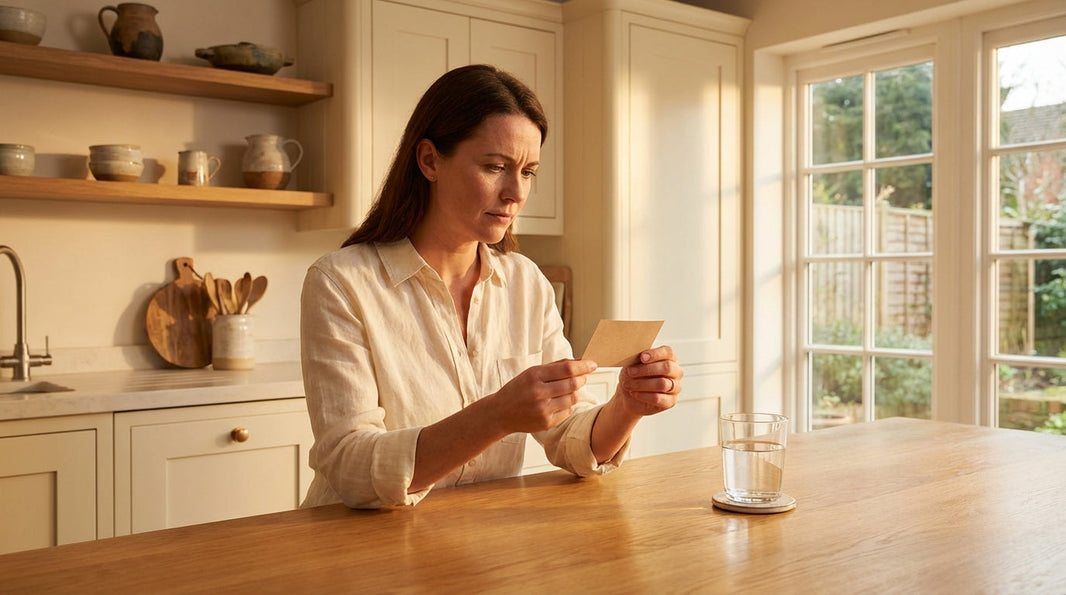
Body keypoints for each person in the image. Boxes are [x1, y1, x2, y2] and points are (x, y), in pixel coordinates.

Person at [300, 64, 683, 509]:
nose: (515, 193)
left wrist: (628, 406)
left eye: (528, 172)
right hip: (357, 547)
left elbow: (570, 437)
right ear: (429, 160)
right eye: (495, 166)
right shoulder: (341, 283)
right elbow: (350, 467)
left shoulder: (526, 283)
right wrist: (498, 415)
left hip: (481, 545)